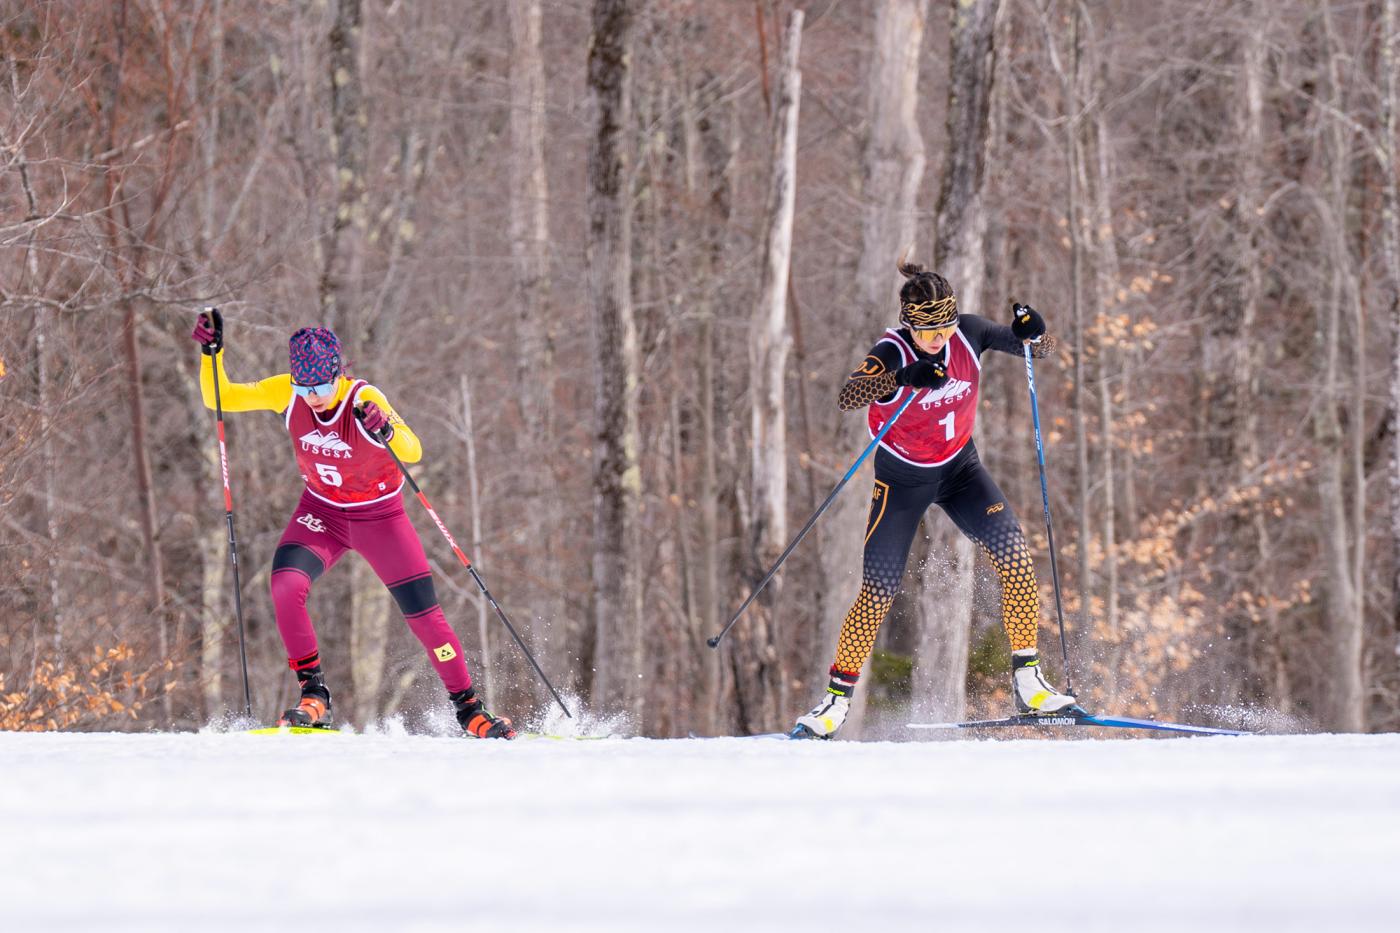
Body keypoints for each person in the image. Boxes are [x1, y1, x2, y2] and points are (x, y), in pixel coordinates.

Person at [193, 310, 515, 738]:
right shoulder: (286, 393)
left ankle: (469, 709)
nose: (314, 397)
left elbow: (413, 450)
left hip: (380, 518)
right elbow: (221, 398)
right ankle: (315, 695)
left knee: (424, 615)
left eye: (323, 386)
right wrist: (211, 355)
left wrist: (385, 430)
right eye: (305, 387)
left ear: (338, 376)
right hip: (321, 514)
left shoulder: (364, 399)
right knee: (286, 586)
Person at [791, 261, 1076, 740]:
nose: (938, 339)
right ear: (909, 325)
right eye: (927, 331)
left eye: (944, 326)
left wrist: (1037, 333)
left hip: (961, 471)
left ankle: (1029, 682)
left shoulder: (969, 333)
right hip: (902, 482)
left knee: (1016, 559)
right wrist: (904, 376)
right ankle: (835, 703)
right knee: (877, 591)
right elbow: (848, 396)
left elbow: (1039, 351)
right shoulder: (891, 350)